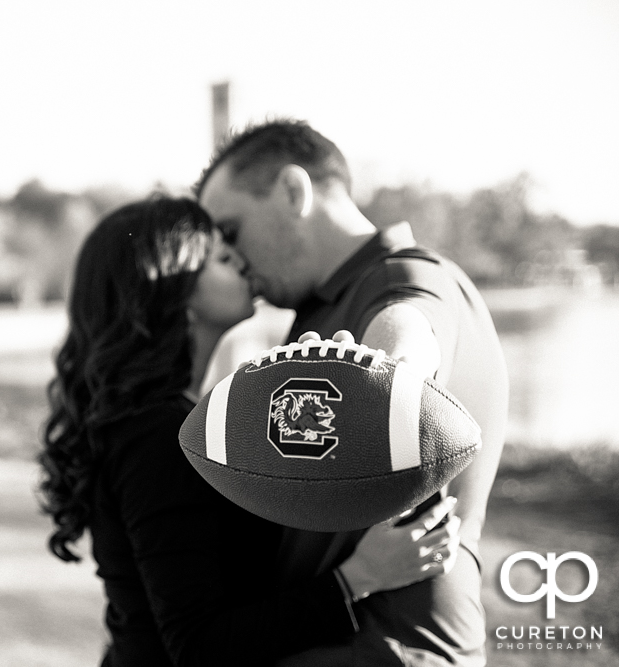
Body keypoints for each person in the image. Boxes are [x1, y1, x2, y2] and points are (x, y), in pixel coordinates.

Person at [37, 196, 462, 667]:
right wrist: (359, 576)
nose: (241, 261)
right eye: (222, 258)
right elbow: (198, 647)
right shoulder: (157, 437)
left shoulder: (174, 421)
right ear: (176, 297)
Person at [196, 119, 509, 666]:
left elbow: (409, 326)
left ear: (294, 191)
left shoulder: (406, 274)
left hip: (392, 646)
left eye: (230, 229)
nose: (232, 256)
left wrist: (386, 373)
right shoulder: (316, 308)